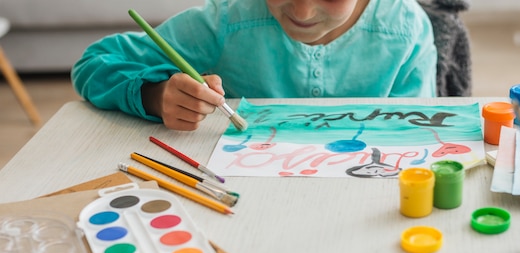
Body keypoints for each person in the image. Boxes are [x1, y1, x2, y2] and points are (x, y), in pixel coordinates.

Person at [72, 0, 437, 131]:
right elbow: (93, 63)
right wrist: (154, 95)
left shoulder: (407, 30)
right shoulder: (227, 21)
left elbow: (418, 134)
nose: (302, 12)